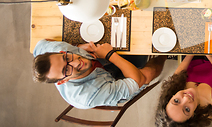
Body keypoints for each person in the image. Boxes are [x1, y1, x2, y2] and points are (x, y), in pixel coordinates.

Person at [32, 39, 167, 109]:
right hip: (108, 87)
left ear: (62, 53)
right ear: (62, 81)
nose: (76, 63)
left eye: (67, 58)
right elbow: (139, 79)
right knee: (148, 74)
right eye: (66, 70)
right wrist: (109, 55)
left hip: (100, 66)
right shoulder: (88, 95)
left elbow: (38, 46)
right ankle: (166, 53)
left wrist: (79, 46)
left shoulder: (56, 49)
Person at [155, 55, 212, 127]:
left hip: (194, 62)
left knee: (187, 42)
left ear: (170, 98)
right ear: (192, 116)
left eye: (176, 101)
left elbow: (182, 68)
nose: (186, 99)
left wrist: (191, 52)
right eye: (187, 109)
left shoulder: (173, 88)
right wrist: (208, 54)